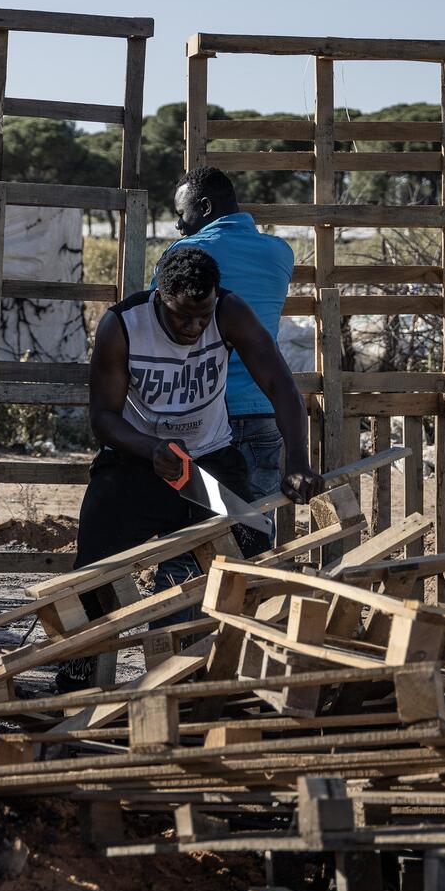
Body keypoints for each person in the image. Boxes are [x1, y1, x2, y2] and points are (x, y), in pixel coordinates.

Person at [62, 245, 323, 689]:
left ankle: (224, 673)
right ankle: (76, 679)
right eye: (184, 316)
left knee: (252, 542)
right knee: (94, 569)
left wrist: (297, 461)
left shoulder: (227, 310)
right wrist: (148, 448)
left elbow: (280, 384)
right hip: (137, 461)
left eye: (203, 317)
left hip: (209, 461)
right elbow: (102, 418)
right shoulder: (122, 325)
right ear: (161, 296)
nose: (195, 327)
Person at [158, 165, 296, 551]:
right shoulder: (280, 253)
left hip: (201, 416)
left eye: (182, 214)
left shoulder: (185, 254)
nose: (178, 225)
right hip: (263, 409)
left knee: (189, 542)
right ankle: (249, 610)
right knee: (253, 536)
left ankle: (179, 612)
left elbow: (159, 326)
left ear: (203, 206)